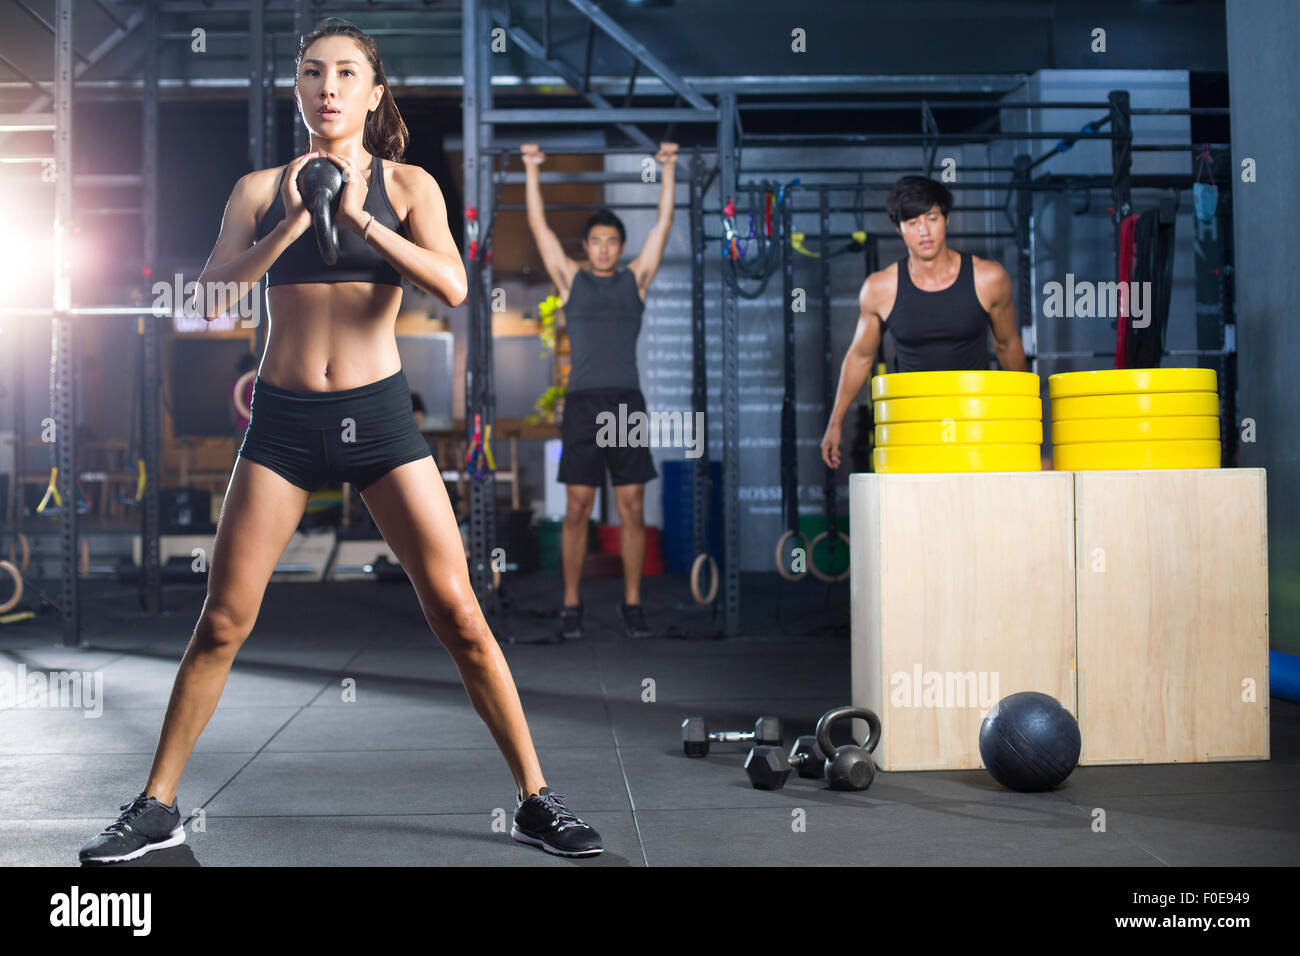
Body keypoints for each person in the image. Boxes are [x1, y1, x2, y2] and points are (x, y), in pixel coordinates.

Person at [78, 17, 601, 862]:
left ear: (373, 91)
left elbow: (455, 286)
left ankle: (538, 799)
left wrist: (361, 219)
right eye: (314, 73)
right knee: (222, 621)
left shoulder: (410, 184)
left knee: (462, 615)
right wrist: (292, 223)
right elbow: (208, 297)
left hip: (383, 424)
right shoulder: (258, 189)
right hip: (283, 426)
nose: (329, 87)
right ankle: (155, 804)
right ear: (298, 89)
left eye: (347, 73)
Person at [521, 140, 678, 641]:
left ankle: (632, 605)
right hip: (585, 406)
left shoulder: (637, 278)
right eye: (597, 241)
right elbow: (540, 230)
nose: (605, 248)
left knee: (632, 507)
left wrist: (667, 169)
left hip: (626, 405)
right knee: (577, 510)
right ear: (586, 247)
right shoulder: (570, 280)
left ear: (619, 246)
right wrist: (531, 169)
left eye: (612, 240)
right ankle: (572, 605)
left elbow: (663, 227)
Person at [820, 175, 1027, 469]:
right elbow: (860, 356)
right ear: (899, 229)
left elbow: (1008, 344)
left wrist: (1025, 417)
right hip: (912, 424)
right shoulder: (880, 288)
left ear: (946, 220)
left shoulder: (989, 278)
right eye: (913, 223)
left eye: (932, 218)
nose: (924, 231)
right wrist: (835, 421)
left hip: (975, 419)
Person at [232, 352, 258, 433]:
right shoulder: (260, 385)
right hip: (258, 427)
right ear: (255, 366)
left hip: (241, 427)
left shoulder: (234, 386)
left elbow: (233, 413)